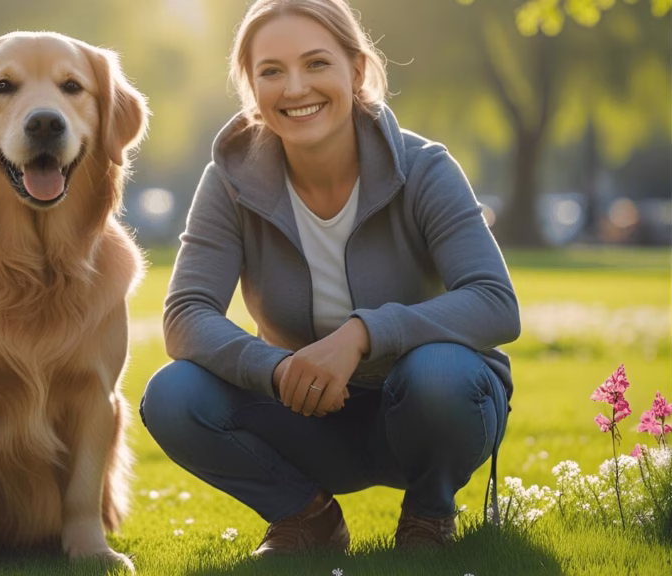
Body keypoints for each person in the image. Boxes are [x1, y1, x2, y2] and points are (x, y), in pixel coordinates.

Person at [139, 0, 520, 555]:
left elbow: (494, 304)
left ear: (357, 71)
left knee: (440, 372)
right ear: (250, 87)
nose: (295, 88)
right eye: (271, 71)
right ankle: (307, 516)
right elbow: (186, 314)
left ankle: (429, 513)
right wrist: (280, 370)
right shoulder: (228, 181)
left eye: (317, 63)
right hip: (309, 415)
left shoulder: (425, 168)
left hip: (427, 407)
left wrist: (361, 336)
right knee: (172, 395)